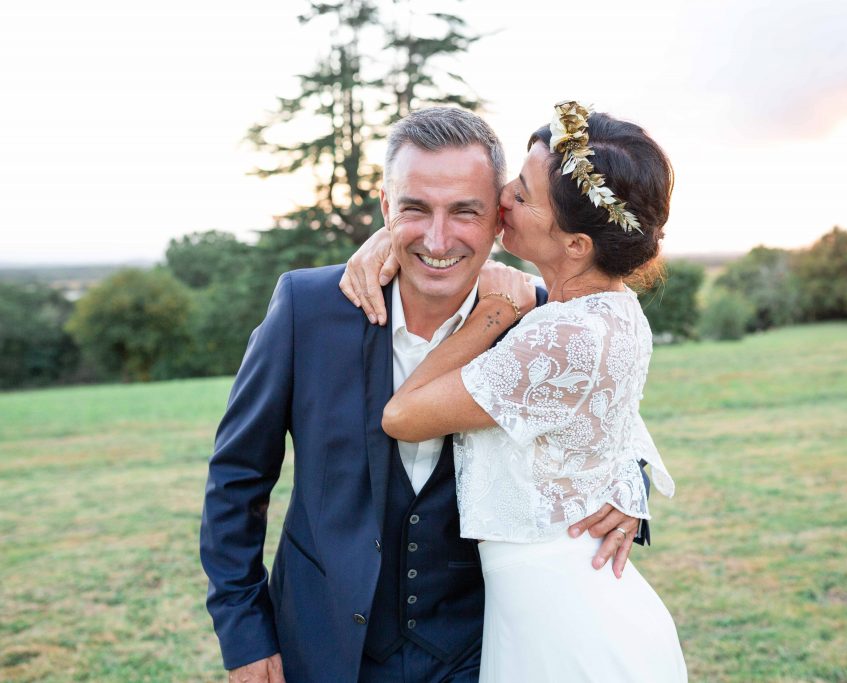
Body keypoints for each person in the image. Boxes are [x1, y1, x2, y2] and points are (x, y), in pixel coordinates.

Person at [199, 106, 648, 683]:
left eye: (465, 211)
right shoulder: (306, 310)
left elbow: (606, 416)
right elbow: (237, 479)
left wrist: (631, 490)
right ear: (386, 209)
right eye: (415, 209)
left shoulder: (539, 321)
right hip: (321, 645)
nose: (439, 239)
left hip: (481, 650)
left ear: (498, 219)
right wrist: (244, 634)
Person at [340, 101, 685, 681]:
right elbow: (604, 417)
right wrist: (390, 236)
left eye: (522, 195)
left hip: (564, 619)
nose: (500, 196)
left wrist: (493, 314)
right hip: (556, 600)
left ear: (576, 245)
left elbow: (402, 415)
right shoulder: (615, 310)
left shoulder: (557, 330)